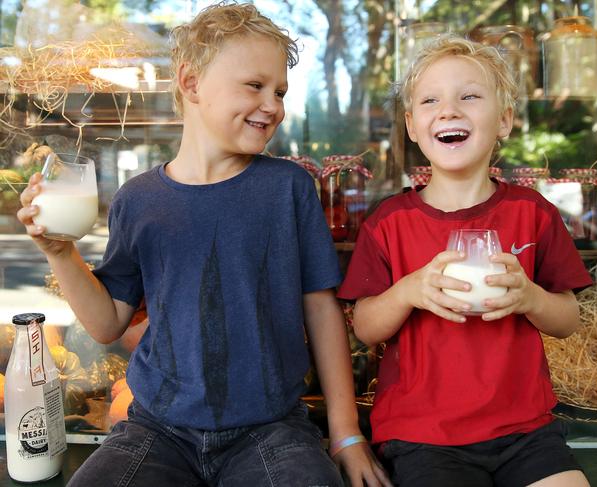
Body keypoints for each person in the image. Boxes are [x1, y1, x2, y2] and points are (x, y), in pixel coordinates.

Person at [17, 3, 390, 486]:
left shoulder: (288, 188)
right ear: (192, 84)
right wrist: (59, 253)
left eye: (279, 91)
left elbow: (320, 310)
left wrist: (346, 435)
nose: (273, 105)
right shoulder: (138, 199)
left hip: (271, 427)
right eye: (255, 86)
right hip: (157, 428)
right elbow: (108, 323)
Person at [337, 34, 593, 487]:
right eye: (431, 99)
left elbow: (568, 318)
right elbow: (364, 327)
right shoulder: (389, 222)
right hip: (424, 434)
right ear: (414, 126)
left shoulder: (532, 213)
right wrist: (409, 291)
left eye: (469, 96)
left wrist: (529, 297)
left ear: (505, 120)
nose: (449, 110)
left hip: (525, 429)